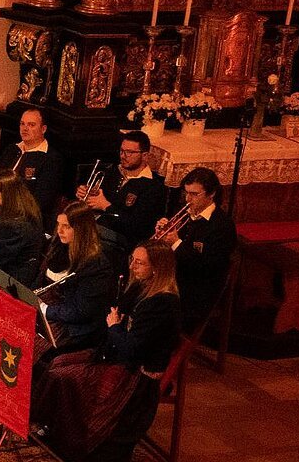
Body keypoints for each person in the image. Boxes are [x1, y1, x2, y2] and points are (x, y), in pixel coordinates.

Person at [35, 241, 181, 462]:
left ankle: (71, 440)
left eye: (139, 263)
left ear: (157, 269)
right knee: (58, 362)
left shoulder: (163, 303)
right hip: (114, 355)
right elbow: (118, 315)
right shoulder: (140, 286)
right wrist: (114, 325)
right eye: (132, 259)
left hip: (135, 376)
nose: (132, 266)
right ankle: (53, 427)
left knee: (62, 375)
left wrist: (114, 327)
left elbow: (131, 349)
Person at [38, 202, 119, 352]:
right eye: (58, 224)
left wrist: (46, 309)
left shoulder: (96, 265)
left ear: (81, 230)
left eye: (66, 226)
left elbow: (82, 312)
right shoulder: (59, 247)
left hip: (75, 327)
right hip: (55, 309)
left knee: (32, 342)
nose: (59, 230)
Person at [164, 167, 237, 332]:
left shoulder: (222, 226)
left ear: (211, 194)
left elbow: (207, 266)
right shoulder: (184, 215)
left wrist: (176, 242)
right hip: (175, 281)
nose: (188, 200)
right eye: (186, 193)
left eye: (194, 194)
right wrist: (163, 236)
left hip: (196, 292)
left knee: (153, 310)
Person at [80, 132, 167, 257]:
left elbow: (137, 226)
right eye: (121, 151)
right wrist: (86, 193)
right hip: (101, 226)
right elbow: (97, 196)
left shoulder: (153, 187)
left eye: (130, 152)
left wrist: (106, 206)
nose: (123, 156)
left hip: (124, 239)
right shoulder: (114, 172)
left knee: (80, 232)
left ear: (145, 155)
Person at [0, 108, 68, 217]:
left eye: (31, 125)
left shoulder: (51, 159)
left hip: (26, 216)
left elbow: (41, 201)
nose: (25, 129)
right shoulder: (11, 150)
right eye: (22, 124)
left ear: (43, 129)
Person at [0, 169, 48, 285]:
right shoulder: (18, 212)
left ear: (7, 195)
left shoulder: (14, 226)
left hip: (9, 282)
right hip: (2, 272)